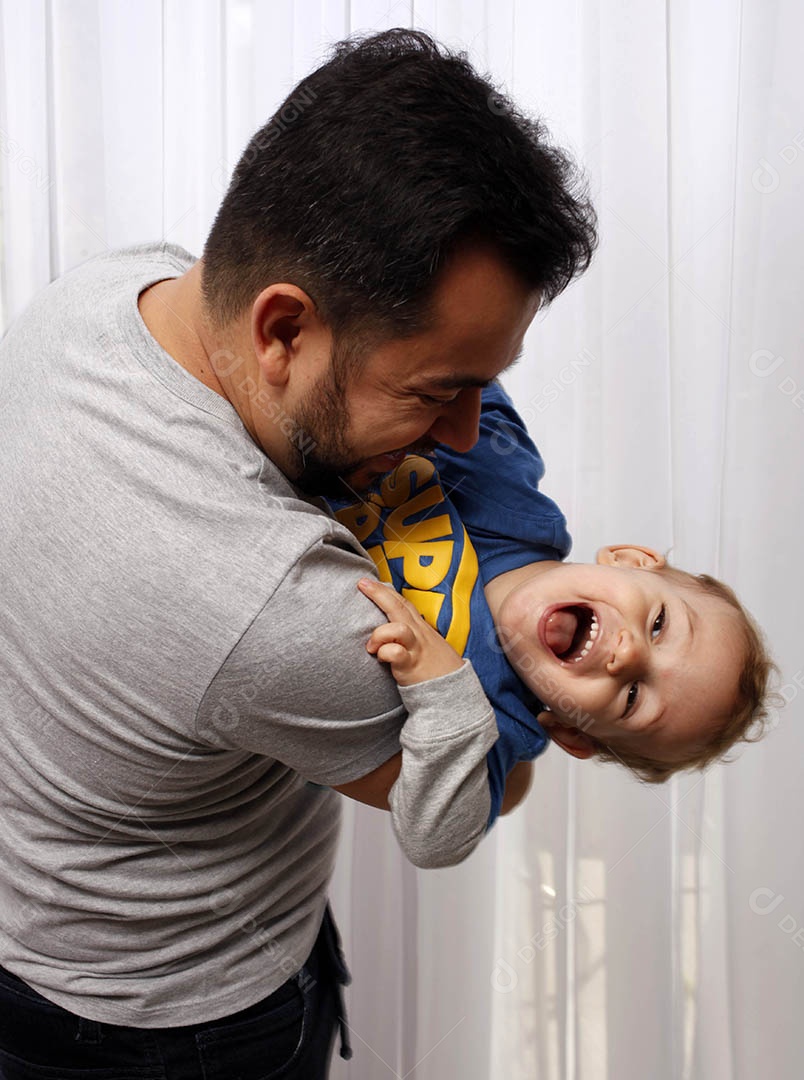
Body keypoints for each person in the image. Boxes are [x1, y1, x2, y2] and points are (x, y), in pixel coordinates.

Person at [0, 27, 598, 1080]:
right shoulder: (284, 611)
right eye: (435, 389)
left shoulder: (113, 293)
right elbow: (477, 782)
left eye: (484, 382)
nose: (471, 433)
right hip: (178, 1018)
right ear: (282, 328)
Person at [337, 381, 775, 822]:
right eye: (659, 625)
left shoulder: (491, 725)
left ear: (569, 732)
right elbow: (449, 362)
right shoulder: (507, 492)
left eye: (633, 697)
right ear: (631, 560)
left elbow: (433, 828)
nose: (628, 652)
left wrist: (442, 698)